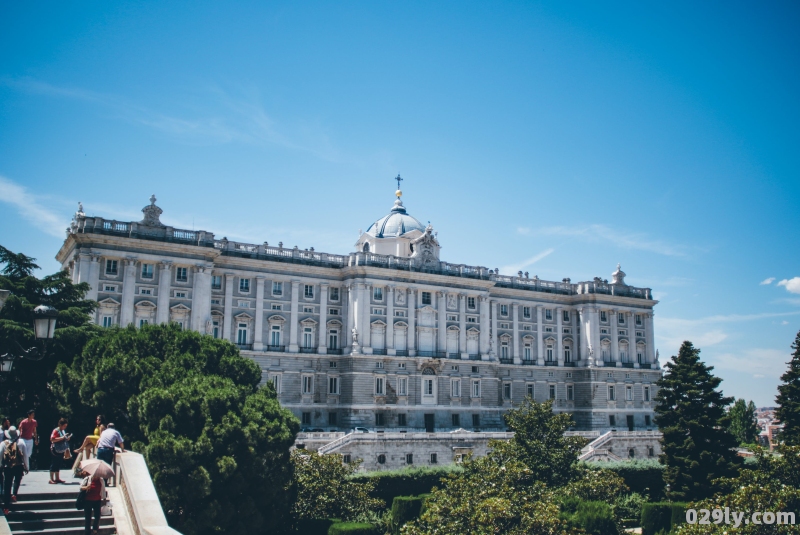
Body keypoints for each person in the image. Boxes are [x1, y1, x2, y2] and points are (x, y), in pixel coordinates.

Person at [1, 426, 29, 514]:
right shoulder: (21, 442)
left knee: (7, 485)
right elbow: (25, 456)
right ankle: (14, 494)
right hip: (18, 466)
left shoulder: (3, 443)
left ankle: (6, 507)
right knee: (17, 480)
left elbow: (0, 455)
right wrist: (27, 467)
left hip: (7, 467)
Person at [79, 468, 104, 535]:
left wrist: (104, 498)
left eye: (97, 474)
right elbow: (81, 487)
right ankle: (87, 532)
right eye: (95, 474)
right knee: (88, 517)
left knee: (97, 516)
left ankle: (95, 529)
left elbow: (103, 490)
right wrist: (87, 487)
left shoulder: (101, 480)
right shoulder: (87, 479)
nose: (96, 475)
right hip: (88, 501)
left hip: (97, 501)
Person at [49, 418, 71, 484]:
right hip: (55, 449)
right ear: (60, 425)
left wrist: (67, 438)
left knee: (59, 463)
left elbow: (63, 438)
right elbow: (52, 439)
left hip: (61, 449)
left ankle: (57, 478)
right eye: (64, 426)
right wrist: (62, 438)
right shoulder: (56, 430)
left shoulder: (63, 431)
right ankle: (51, 479)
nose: (64, 427)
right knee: (54, 463)